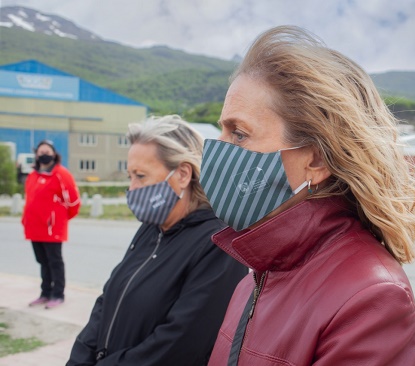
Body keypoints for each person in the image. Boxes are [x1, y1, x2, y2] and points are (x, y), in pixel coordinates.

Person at [200, 26, 415, 365]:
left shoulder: (370, 300)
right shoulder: (256, 278)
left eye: (238, 134)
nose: (216, 150)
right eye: (221, 129)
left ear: (316, 160)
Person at [67, 116, 248, 365]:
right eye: (130, 176)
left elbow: (179, 344)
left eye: (140, 176)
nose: (131, 188)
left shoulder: (218, 244)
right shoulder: (150, 229)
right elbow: (107, 301)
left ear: (183, 174)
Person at [22, 139, 80, 309]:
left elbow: (74, 202)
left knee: (55, 261)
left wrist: (58, 219)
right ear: (36, 155)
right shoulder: (33, 175)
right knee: (42, 261)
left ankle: (58, 294)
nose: (44, 154)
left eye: (47, 151)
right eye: (40, 152)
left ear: (54, 154)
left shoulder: (62, 174)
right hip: (34, 228)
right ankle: (45, 293)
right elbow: (29, 200)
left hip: (52, 228)